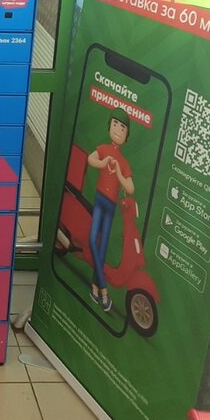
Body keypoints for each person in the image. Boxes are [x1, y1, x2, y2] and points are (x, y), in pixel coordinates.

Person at [87, 109, 135, 312]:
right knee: (92, 240)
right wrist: (103, 163)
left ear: (126, 135)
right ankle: (104, 290)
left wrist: (119, 175)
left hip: (111, 205)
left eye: (122, 127)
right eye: (115, 124)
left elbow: (130, 188)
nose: (118, 129)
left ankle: (94, 287)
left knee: (103, 246)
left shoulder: (124, 163)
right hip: (100, 200)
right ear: (109, 126)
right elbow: (90, 159)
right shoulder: (104, 149)